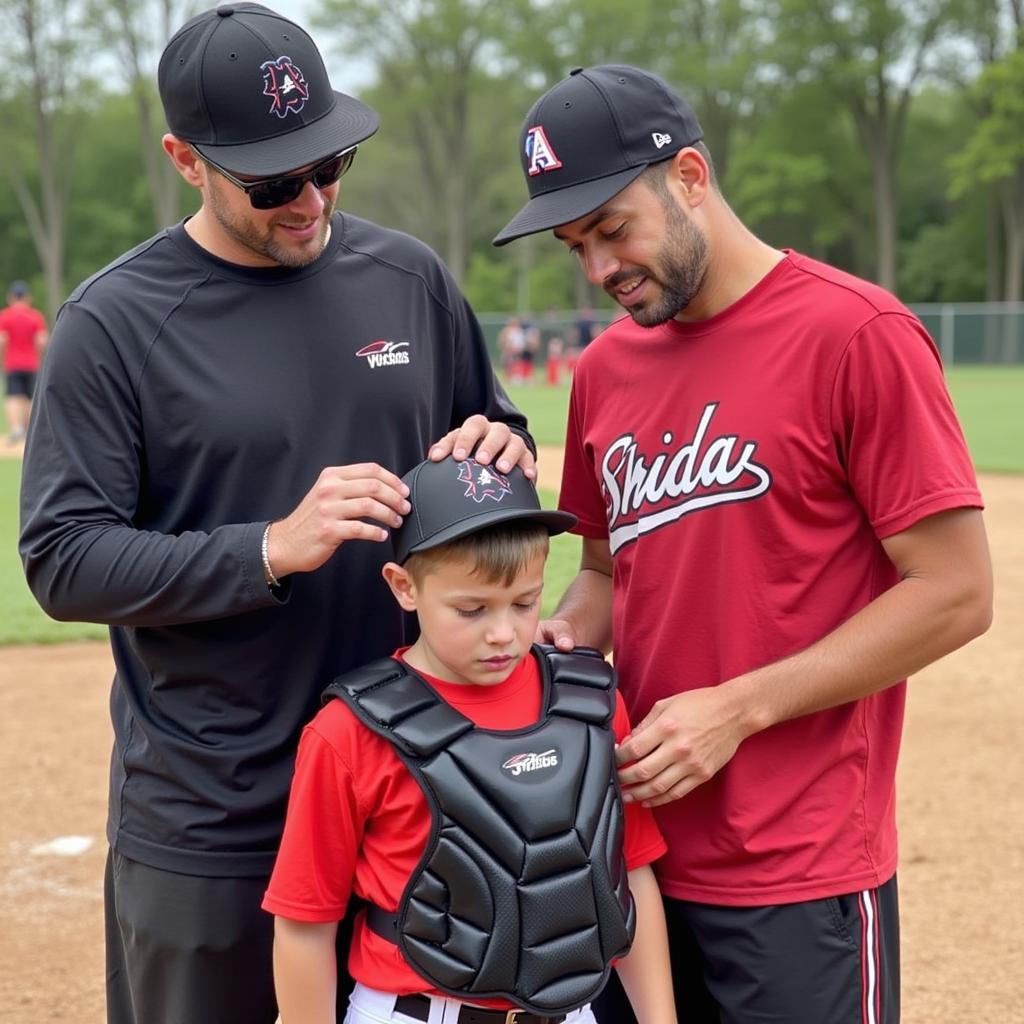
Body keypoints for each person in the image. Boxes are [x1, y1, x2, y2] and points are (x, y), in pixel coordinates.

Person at [18, 5, 536, 1023]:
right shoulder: (113, 325)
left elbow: (492, 427)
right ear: (184, 160)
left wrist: (501, 450)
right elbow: (63, 557)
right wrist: (266, 549)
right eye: (272, 182)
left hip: (416, 779)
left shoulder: (409, 280)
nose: (310, 199)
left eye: (328, 164)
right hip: (222, 813)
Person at [493, 64, 993, 1024]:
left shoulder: (856, 333)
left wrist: (739, 709)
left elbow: (957, 592)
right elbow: (605, 569)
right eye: (575, 246)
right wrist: (560, 635)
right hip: (633, 853)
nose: (598, 268)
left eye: (612, 230)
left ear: (688, 175)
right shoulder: (605, 370)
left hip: (799, 865)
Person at [263, 454, 676, 1024]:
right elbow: (307, 918)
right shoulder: (351, 731)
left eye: (525, 603)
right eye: (471, 608)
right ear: (404, 586)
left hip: (570, 1008)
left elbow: (625, 874)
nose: (503, 633)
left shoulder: (588, 705)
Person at [0, 280, 47, 444]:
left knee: (13, 396)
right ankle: (28, 431)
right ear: (27, 297)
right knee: (29, 397)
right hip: (31, 363)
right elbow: (41, 341)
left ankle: (16, 428)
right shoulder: (35, 316)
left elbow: (2, 340)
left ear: (11, 297)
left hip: (12, 363)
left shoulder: (5, 315)